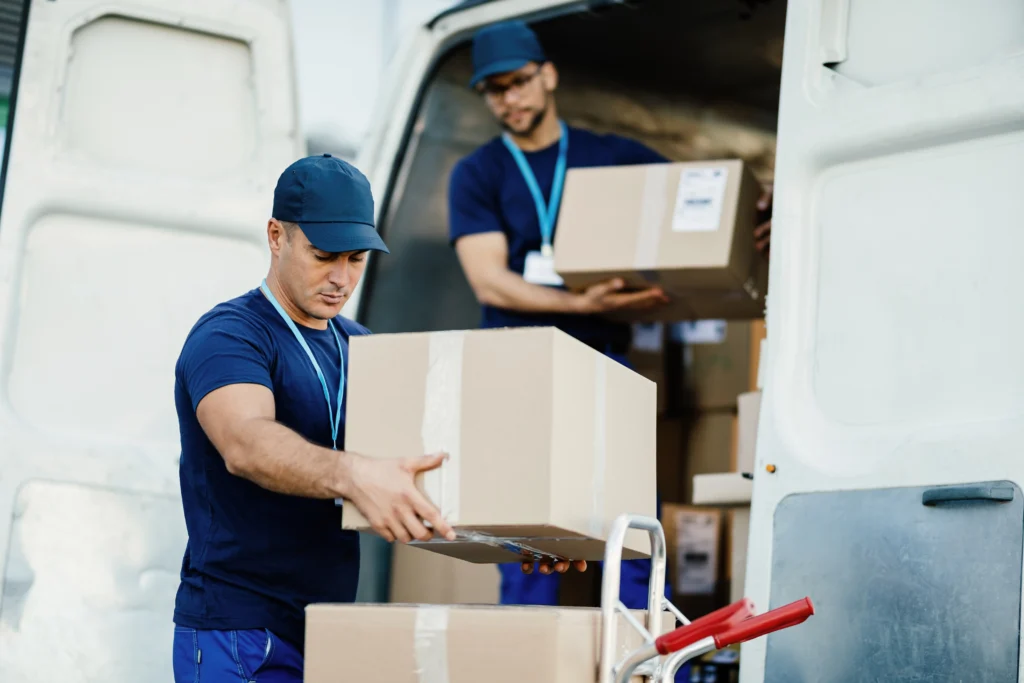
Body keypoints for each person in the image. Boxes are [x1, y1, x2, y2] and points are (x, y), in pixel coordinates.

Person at [169, 154, 578, 682]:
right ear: (276, 236)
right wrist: (353, 473)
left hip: (327, 631)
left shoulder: (362, 348)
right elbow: (245, 445)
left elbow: (426, 477)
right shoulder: (230, 336)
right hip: (239, 632)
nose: (341, 278)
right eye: (323, 256)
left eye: (356, 259)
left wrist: (518, 538)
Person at [447, 21, 772, 611]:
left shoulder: (612, 156)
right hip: (517, 367)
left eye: (518, 82)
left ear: (548, 75)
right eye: (494, 90)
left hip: (602, 363)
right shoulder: (479, 172)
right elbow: (488, 277)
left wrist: (758, 204)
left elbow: (694, 207)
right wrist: (579, 303)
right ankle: (528, 660)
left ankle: (648, 656)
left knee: (627, 524)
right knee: (527, 531)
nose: (509, 99)